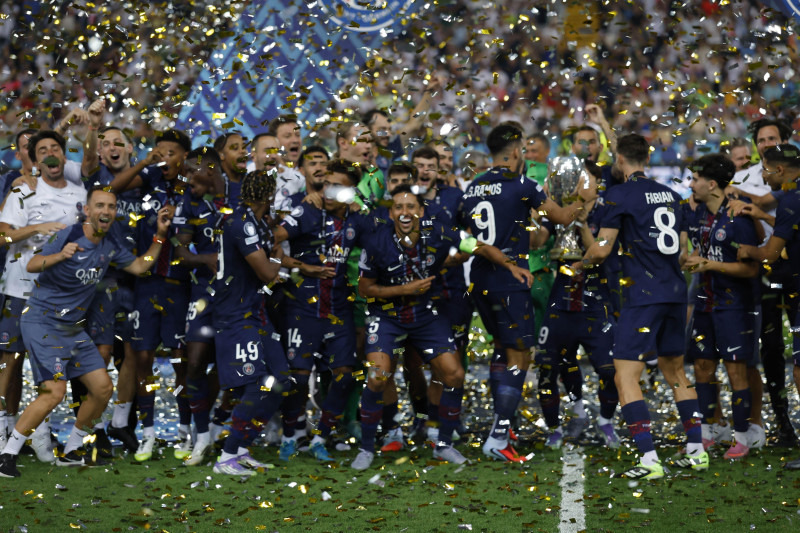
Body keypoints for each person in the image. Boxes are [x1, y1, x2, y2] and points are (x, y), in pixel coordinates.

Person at [351, 185, 534, 470]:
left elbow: (478, 245)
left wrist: (511, 266)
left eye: (411, 206)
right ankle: (365, 448)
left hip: (425, 314)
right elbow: (365, 289)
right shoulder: (376, 243)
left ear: (421, 212)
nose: (405, 212)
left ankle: (444, 446)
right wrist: (405, 288)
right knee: (377, 376)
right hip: (386, 315)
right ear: (390, 213)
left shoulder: (438, 231)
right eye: (399, 207)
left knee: (454, 374)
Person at [0, 187, 172, 478]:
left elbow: (140, 266)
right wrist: (60, 255)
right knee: (54, 392)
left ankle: (72, 450)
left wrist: (160, 236)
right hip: (43, 323)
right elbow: (31, 264)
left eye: (111, 206)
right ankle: (7, 455)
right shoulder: (67, 235)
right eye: (100, 206)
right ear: (88, 211)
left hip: (72, 329)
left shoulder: (111, 243)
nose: (106, 211)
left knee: (103, 388)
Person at [459, 122, 596, 462]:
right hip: (510, 280)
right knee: (520, 357)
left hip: (478, 279)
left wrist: (534, 229)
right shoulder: (522, 184)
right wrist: (583, 198)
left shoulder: (474, 187)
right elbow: (564, 217)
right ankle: (500, 434)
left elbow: (470, 238)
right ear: (516, 151)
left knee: (502, 350)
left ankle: (501, 425)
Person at [574, 133, 704, 480]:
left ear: (619, 159)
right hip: (675, 292)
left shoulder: (618, 194)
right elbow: (682, 250)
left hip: (642, 296)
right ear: (646, 158)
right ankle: (696, 450)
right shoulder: (673, 196)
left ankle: (648, 458)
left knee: (625, 375)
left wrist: (579, 265)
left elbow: (602, 249)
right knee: (675, 371)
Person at [272, 159, 373, 462]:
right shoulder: (307, 210)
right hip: (302, 307)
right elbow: (273, 241)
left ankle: (322, 436)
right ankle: (290, 435)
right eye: (328, 183)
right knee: (298, 379)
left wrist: (361, 205)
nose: (329, 190)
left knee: (344, 376)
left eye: (339, 187)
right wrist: (303, 267)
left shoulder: (358, 220)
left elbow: (384, 232)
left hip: (339, 310)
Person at [0, 130, 87, 458]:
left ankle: (39, 436)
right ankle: (3, 430)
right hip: (19, 289)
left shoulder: (74, 193)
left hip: (57, 296)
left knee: (49, 367)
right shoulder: (21, 191)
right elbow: (3, 236)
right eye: (42, 151)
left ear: (64, 157)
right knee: (9, 362)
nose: (50, 155)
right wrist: (37, 228)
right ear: (34, 160)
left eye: (57, 149)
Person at [533, 161, 620, 449]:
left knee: (610, 370)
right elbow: (539, 239)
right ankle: (557, 426)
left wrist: (581, 224)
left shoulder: (610, 210)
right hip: (563, 296)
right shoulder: (559, 210)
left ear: (597, 183)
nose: (576, 185)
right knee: (548, 366)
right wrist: (537, 206)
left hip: (597, 298)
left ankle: (606, 421)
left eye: (584, 179)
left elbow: (599, 252)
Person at [210, 169, 291, 476]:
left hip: (255, 311)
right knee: (258, 384)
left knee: (281, 379)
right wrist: (280, 260)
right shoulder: (241, 222)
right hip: (235, 314)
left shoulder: (253, 222)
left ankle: (242, 448)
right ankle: (226, 458)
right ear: (269, 196)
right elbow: (269, 273)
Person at [683, 154, 760, 460]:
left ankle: (742, 437)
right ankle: (709, 431)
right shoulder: (697, 214)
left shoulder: (738, 218)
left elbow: (752, 270)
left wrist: (710, 264)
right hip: (704, 304)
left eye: (695, 178)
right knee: (702, 367)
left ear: (711, 184)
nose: (690, 184)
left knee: (735, 371)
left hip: (733, 306)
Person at [730, 119, 798, 447]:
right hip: (766, 273)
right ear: (754, 143)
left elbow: (765, 203)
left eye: (772, 138)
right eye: (761, 139)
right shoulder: (744, 175)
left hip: (790, 265)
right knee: (771, 347)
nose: (766, 143)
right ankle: (783, 422)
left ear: (784, 141)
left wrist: (744, 197)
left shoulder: (783, 176)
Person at [172, 147, 228, 465]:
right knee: (193, 364)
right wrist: (206, 257)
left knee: (227, 366)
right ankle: (202, 435)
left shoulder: (236, 195)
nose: (187, 178)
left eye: (192, 171)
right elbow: (181, 252)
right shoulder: (189, 202)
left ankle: (216, 428)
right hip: (203, 292)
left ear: (211, 170)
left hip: (237, 296)